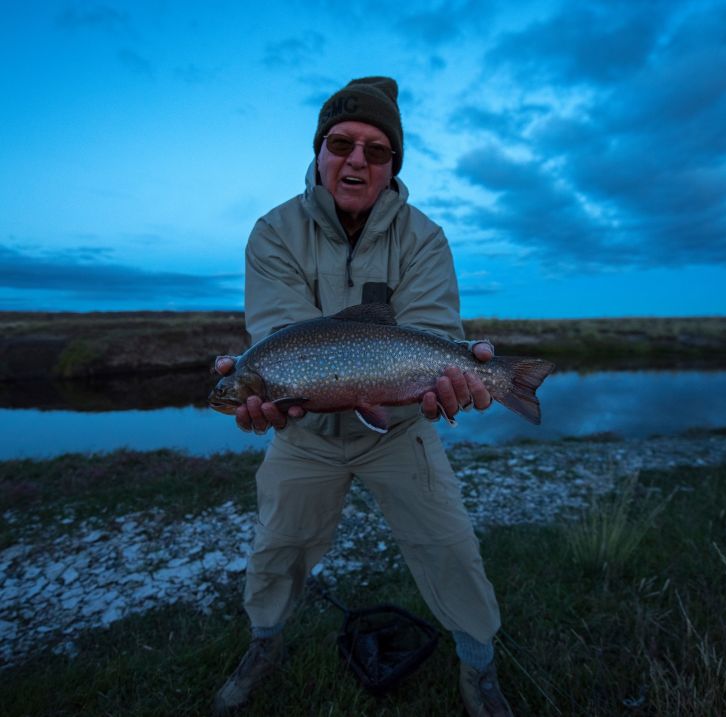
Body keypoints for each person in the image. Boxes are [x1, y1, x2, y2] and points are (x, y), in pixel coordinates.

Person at [212, 76, 514, 717]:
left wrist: (462, 380)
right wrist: (274, 392)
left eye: (377, 151)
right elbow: (279, 334)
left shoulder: (423, 237)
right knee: (277, 549)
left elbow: (435, 334)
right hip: (305, 436)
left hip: (402, 427)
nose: (357, 160)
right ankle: (264, 642)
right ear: (319, 151)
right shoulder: (273, 233)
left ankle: (479, 665)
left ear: (392, 165)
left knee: (451, 548)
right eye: (342, 143)